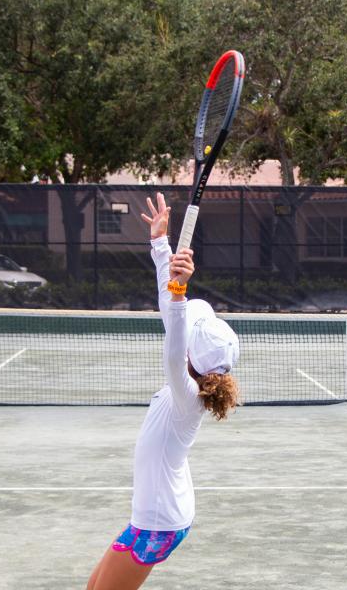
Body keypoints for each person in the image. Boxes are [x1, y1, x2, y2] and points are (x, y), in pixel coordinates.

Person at [86, 192, 241, 590]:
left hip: (159, 522)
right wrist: (160, 245)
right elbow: (170, 315)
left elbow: (173, 342)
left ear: (190, 354)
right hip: (155, 515)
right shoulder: (193, 385)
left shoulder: (185, 395)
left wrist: (179, 290)